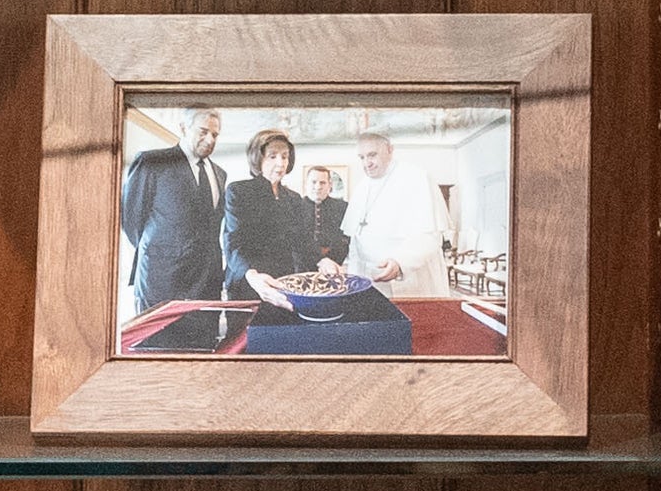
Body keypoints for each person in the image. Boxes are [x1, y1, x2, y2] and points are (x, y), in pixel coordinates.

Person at [224, 126, 410, 348]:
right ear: (258, 157)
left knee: (278, 346)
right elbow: (233, 242)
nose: (281, 163)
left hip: (283, 285)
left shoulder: (292, 198)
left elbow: (301, 240)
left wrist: (323, 260)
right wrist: (251, 275)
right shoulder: (238, 191)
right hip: (249, 283)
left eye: (285, 156)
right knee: (246, 348)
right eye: (273, 156)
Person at [117, 104, 234, 354]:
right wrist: (163, 252)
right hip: (161, 282)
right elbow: (131, 219)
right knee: (159, 355)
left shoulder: (220, 174)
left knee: (202, 357)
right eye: (203, 132)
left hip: (206, 284)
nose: (210, 139)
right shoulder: (152, 161)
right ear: (183, 128)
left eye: (215, 134)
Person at [338, 122, 462, 310]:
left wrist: (400, 263)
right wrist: (355, 281)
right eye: (361, 157)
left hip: (411, 282)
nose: (366, 163)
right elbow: (356, 240)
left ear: (389, 149)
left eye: (372, 155)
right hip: (373, 284)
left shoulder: (416, 178)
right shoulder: (362, 187)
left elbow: (429, 237)